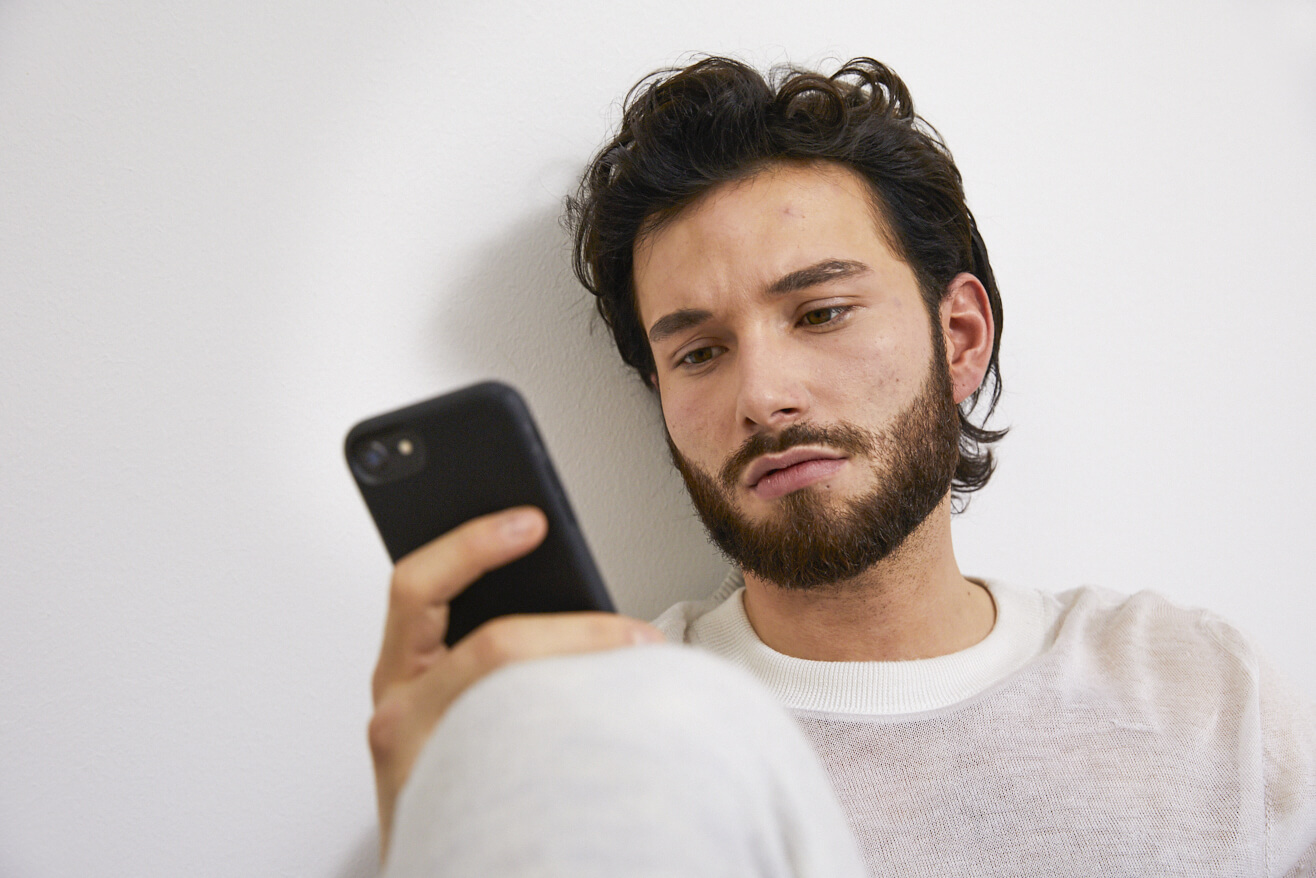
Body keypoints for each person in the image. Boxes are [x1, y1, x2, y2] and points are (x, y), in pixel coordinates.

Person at [367, 57, 1316, 876]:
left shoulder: (1200, 688)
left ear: (961, 337)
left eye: (821, 313)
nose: (763, 397)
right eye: (698, 352)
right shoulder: (603, 746)